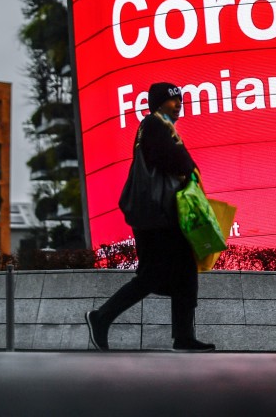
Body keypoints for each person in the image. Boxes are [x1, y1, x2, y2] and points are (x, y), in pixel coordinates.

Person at [85, 82, 215, 352]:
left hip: (162, 215)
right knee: (153, 274)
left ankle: (183, 336)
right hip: (158, 216)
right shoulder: (154, 125)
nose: (178, 104)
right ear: (158, 103)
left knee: (185, 272)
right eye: (172, 100)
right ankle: (102, 316)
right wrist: (189, 167)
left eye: (180, 99)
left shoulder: (158, 125)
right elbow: (167, 158)